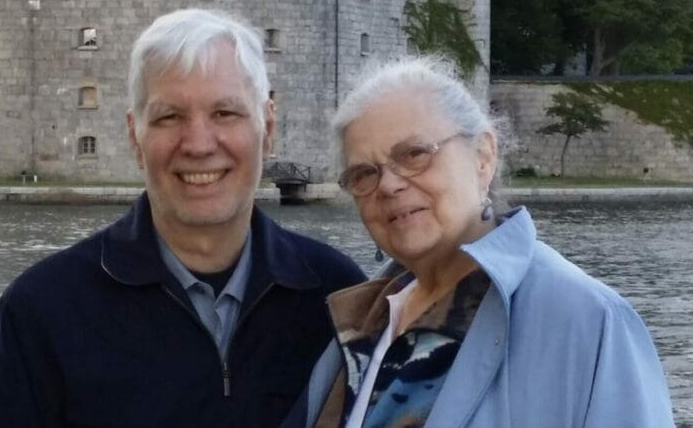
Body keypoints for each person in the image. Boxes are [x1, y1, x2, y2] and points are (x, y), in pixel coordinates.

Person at [0, 8, 366, 427]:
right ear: (135, 136)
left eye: (225, 113)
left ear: (267, 128)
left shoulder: (339, 297)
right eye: (169, 117)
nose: (198, 144)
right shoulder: (43, 310)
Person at [284, 56, 674, 428]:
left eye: (415, 153)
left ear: (483, 157)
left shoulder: (588, 320)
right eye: (364, 174)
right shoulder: (361, 324)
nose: (389, 184)